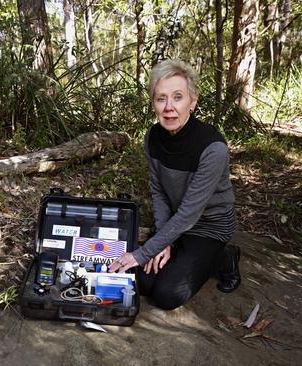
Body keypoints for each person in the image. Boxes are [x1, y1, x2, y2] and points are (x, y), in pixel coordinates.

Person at [109, 59, 241, 310]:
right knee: (143, 282)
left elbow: (191, 213)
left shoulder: (213, 148)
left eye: (178, 97)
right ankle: (178, 248)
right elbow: (158, 191)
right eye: (161, 99)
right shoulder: (152, 137)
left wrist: (142, 253)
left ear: (193, 101)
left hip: (208, 226)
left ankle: (224, 258)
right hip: (175, 221)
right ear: (154, 103)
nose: (169, 107)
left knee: (167, 295)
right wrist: (163, 238)